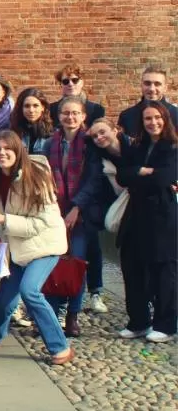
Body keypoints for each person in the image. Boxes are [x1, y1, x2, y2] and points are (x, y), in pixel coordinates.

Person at [0, 131, 73, 365]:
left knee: (29, 291)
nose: (2, 153)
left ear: (18, 151)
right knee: (5, 299)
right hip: (15, 247)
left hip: (44, 245)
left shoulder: (37, 177)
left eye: (7, 149)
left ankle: (59, 346)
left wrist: (3, 220)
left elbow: (43, 222)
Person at [115, 102, 178, 343]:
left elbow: (165, 178)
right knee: (133, 268)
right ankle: (139, 321)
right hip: (136, 216)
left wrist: (139, 173)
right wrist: (143, 171)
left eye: (157, 118)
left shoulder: (173, 147)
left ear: (165, 119)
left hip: (163, 219)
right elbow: (123, 175)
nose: (153, 122)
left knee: (164, 272)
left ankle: (166, 324)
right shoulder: (138, 146)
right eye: (148, 119)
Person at [43, 96, 104, 334]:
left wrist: (77, 207)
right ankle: (54, 311)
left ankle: (73, 314)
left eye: (75, 113)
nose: (70, 117)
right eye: (65, 113)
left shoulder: (90, 144)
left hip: (82, 214)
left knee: (77, 263)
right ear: (59, 116)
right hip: (55, 212)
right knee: (54, 263)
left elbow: (94, 179)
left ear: (83, 116)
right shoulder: (50, 144)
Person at [84, 118, 128, 316]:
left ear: (115, 130)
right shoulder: (99, 155)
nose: (99, 137)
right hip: (112, 205)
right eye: (94, 136)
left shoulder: (133, 148)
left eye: (103, 132)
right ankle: (96, 292)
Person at [118, 65, 178, 139]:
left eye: (157, 84)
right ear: (141, 85)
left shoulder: (176, 114)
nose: (152, 89)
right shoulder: (127, 116)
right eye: (147, 83)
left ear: (165, 87)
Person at [9, 87, 53, 156]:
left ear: (43, 108)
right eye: (27, 106)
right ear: (21, 108)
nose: (31, 110)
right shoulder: (13, 133)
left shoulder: (52, 133)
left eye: (35, 106)